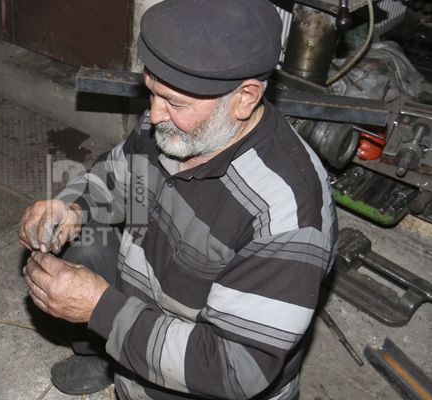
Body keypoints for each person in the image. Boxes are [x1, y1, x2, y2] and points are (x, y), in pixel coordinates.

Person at [19, 0, 339, 399]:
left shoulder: (287, 217)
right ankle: (108, 359)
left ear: (245, 97)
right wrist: (71, 206)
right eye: (152, 92)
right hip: (144, 324)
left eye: (175, 102)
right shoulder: (180, 125)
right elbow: (117, 177)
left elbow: (235, 369)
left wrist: (99, 309)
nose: (154, 115)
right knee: (83, 240)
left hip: (201, 382)